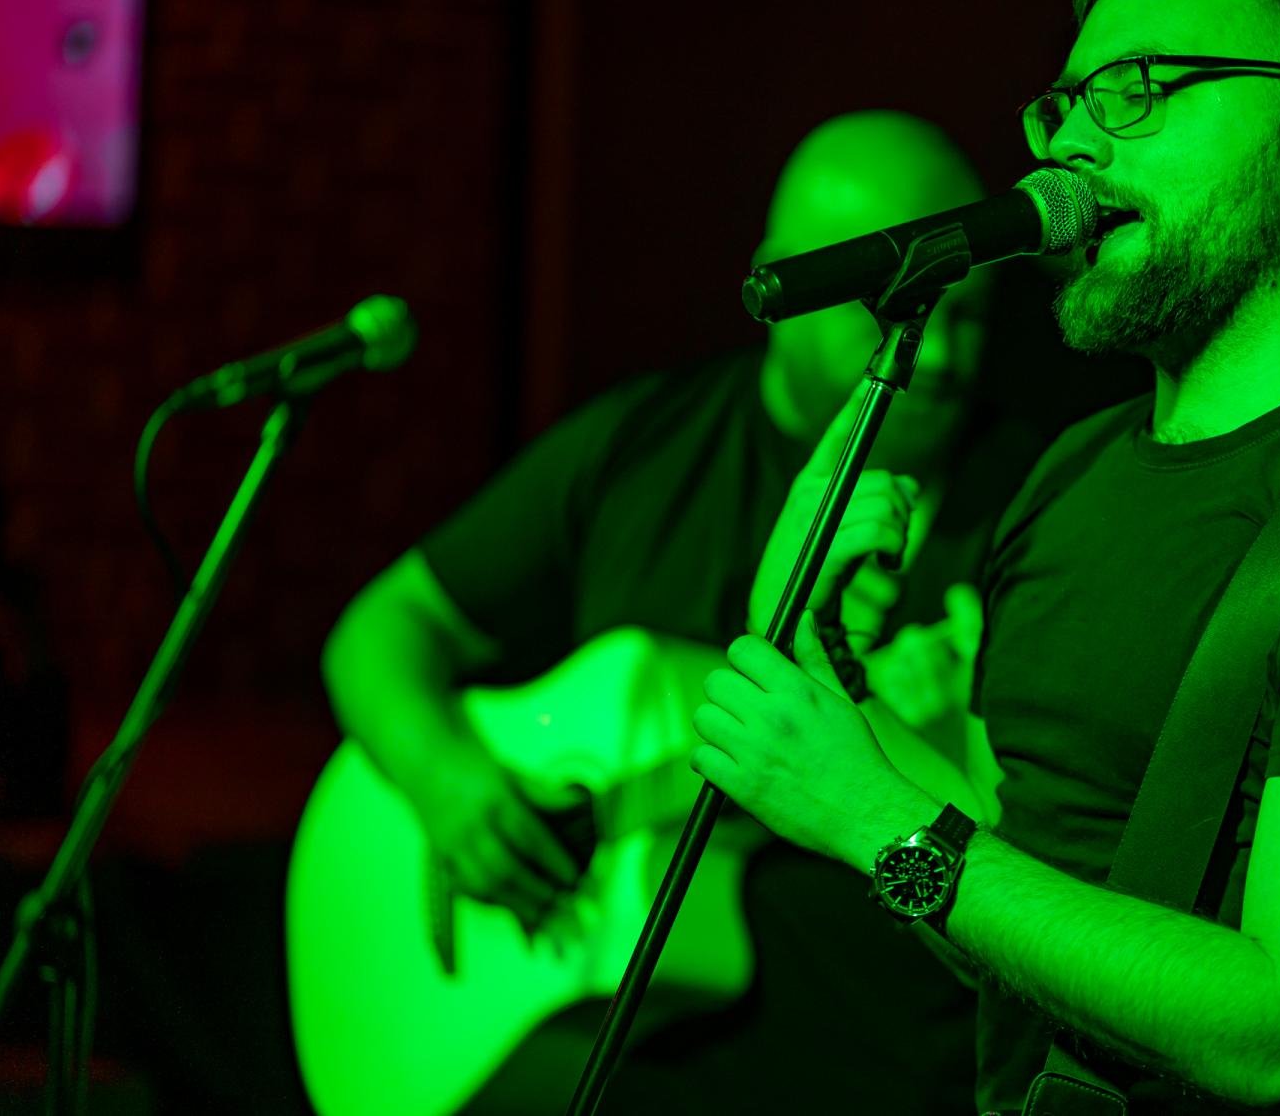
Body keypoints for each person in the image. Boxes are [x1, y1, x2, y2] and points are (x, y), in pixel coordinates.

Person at [689, 0, 1280, 1114]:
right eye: (1065, 106)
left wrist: (877, 817)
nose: (1074, 148)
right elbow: (1010, 896)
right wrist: (829, 685)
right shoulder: (1071, 475)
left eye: (1136, 90)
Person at [319, 109, 1048, 1113]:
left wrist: (918, 733)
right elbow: (380, 627)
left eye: (972, 313)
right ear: (781, 281)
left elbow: (1040, 857)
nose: (945, 351)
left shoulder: (1032, 509)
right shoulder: (644, 444)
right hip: (615, 1062)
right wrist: (448, 781)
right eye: (903, 309)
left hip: (890, 1074)